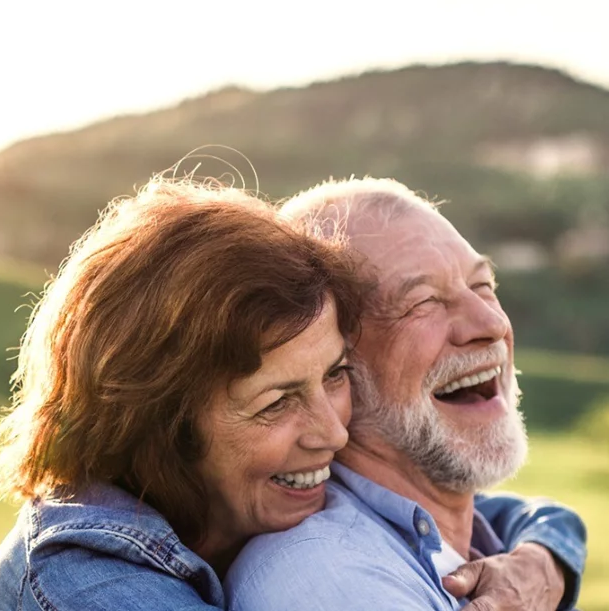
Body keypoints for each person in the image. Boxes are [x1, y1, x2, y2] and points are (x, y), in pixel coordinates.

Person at [0, 177, 583, 611]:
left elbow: (489, 513)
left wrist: (546, 558)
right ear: (163, 430)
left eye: (335, 374)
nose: (333, 433)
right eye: (277, 402)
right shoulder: (90, 584)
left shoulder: (245, 499)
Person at [225, 178, 586, 611]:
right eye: (423, 302)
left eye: (483, 286)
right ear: (330, 363)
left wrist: (550, 555)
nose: (489, 324)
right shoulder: (333, 579)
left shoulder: (484, 544)